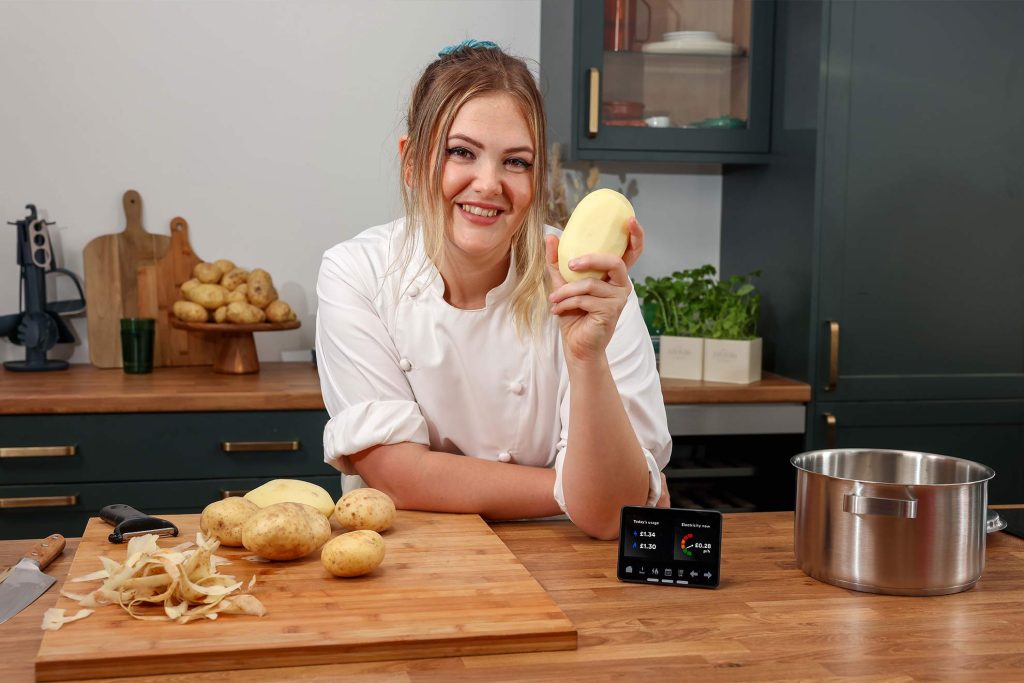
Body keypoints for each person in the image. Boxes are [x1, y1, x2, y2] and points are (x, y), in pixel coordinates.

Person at [315, 40, 671, 540]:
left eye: (516, 162)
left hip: (565, 563)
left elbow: (614, 518)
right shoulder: (358, 272)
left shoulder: (589, 286)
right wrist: (576, 491)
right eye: (462, 152)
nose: (488, 184)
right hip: (406, 562)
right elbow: (395, 474)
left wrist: (585, 357)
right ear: (413, 162)